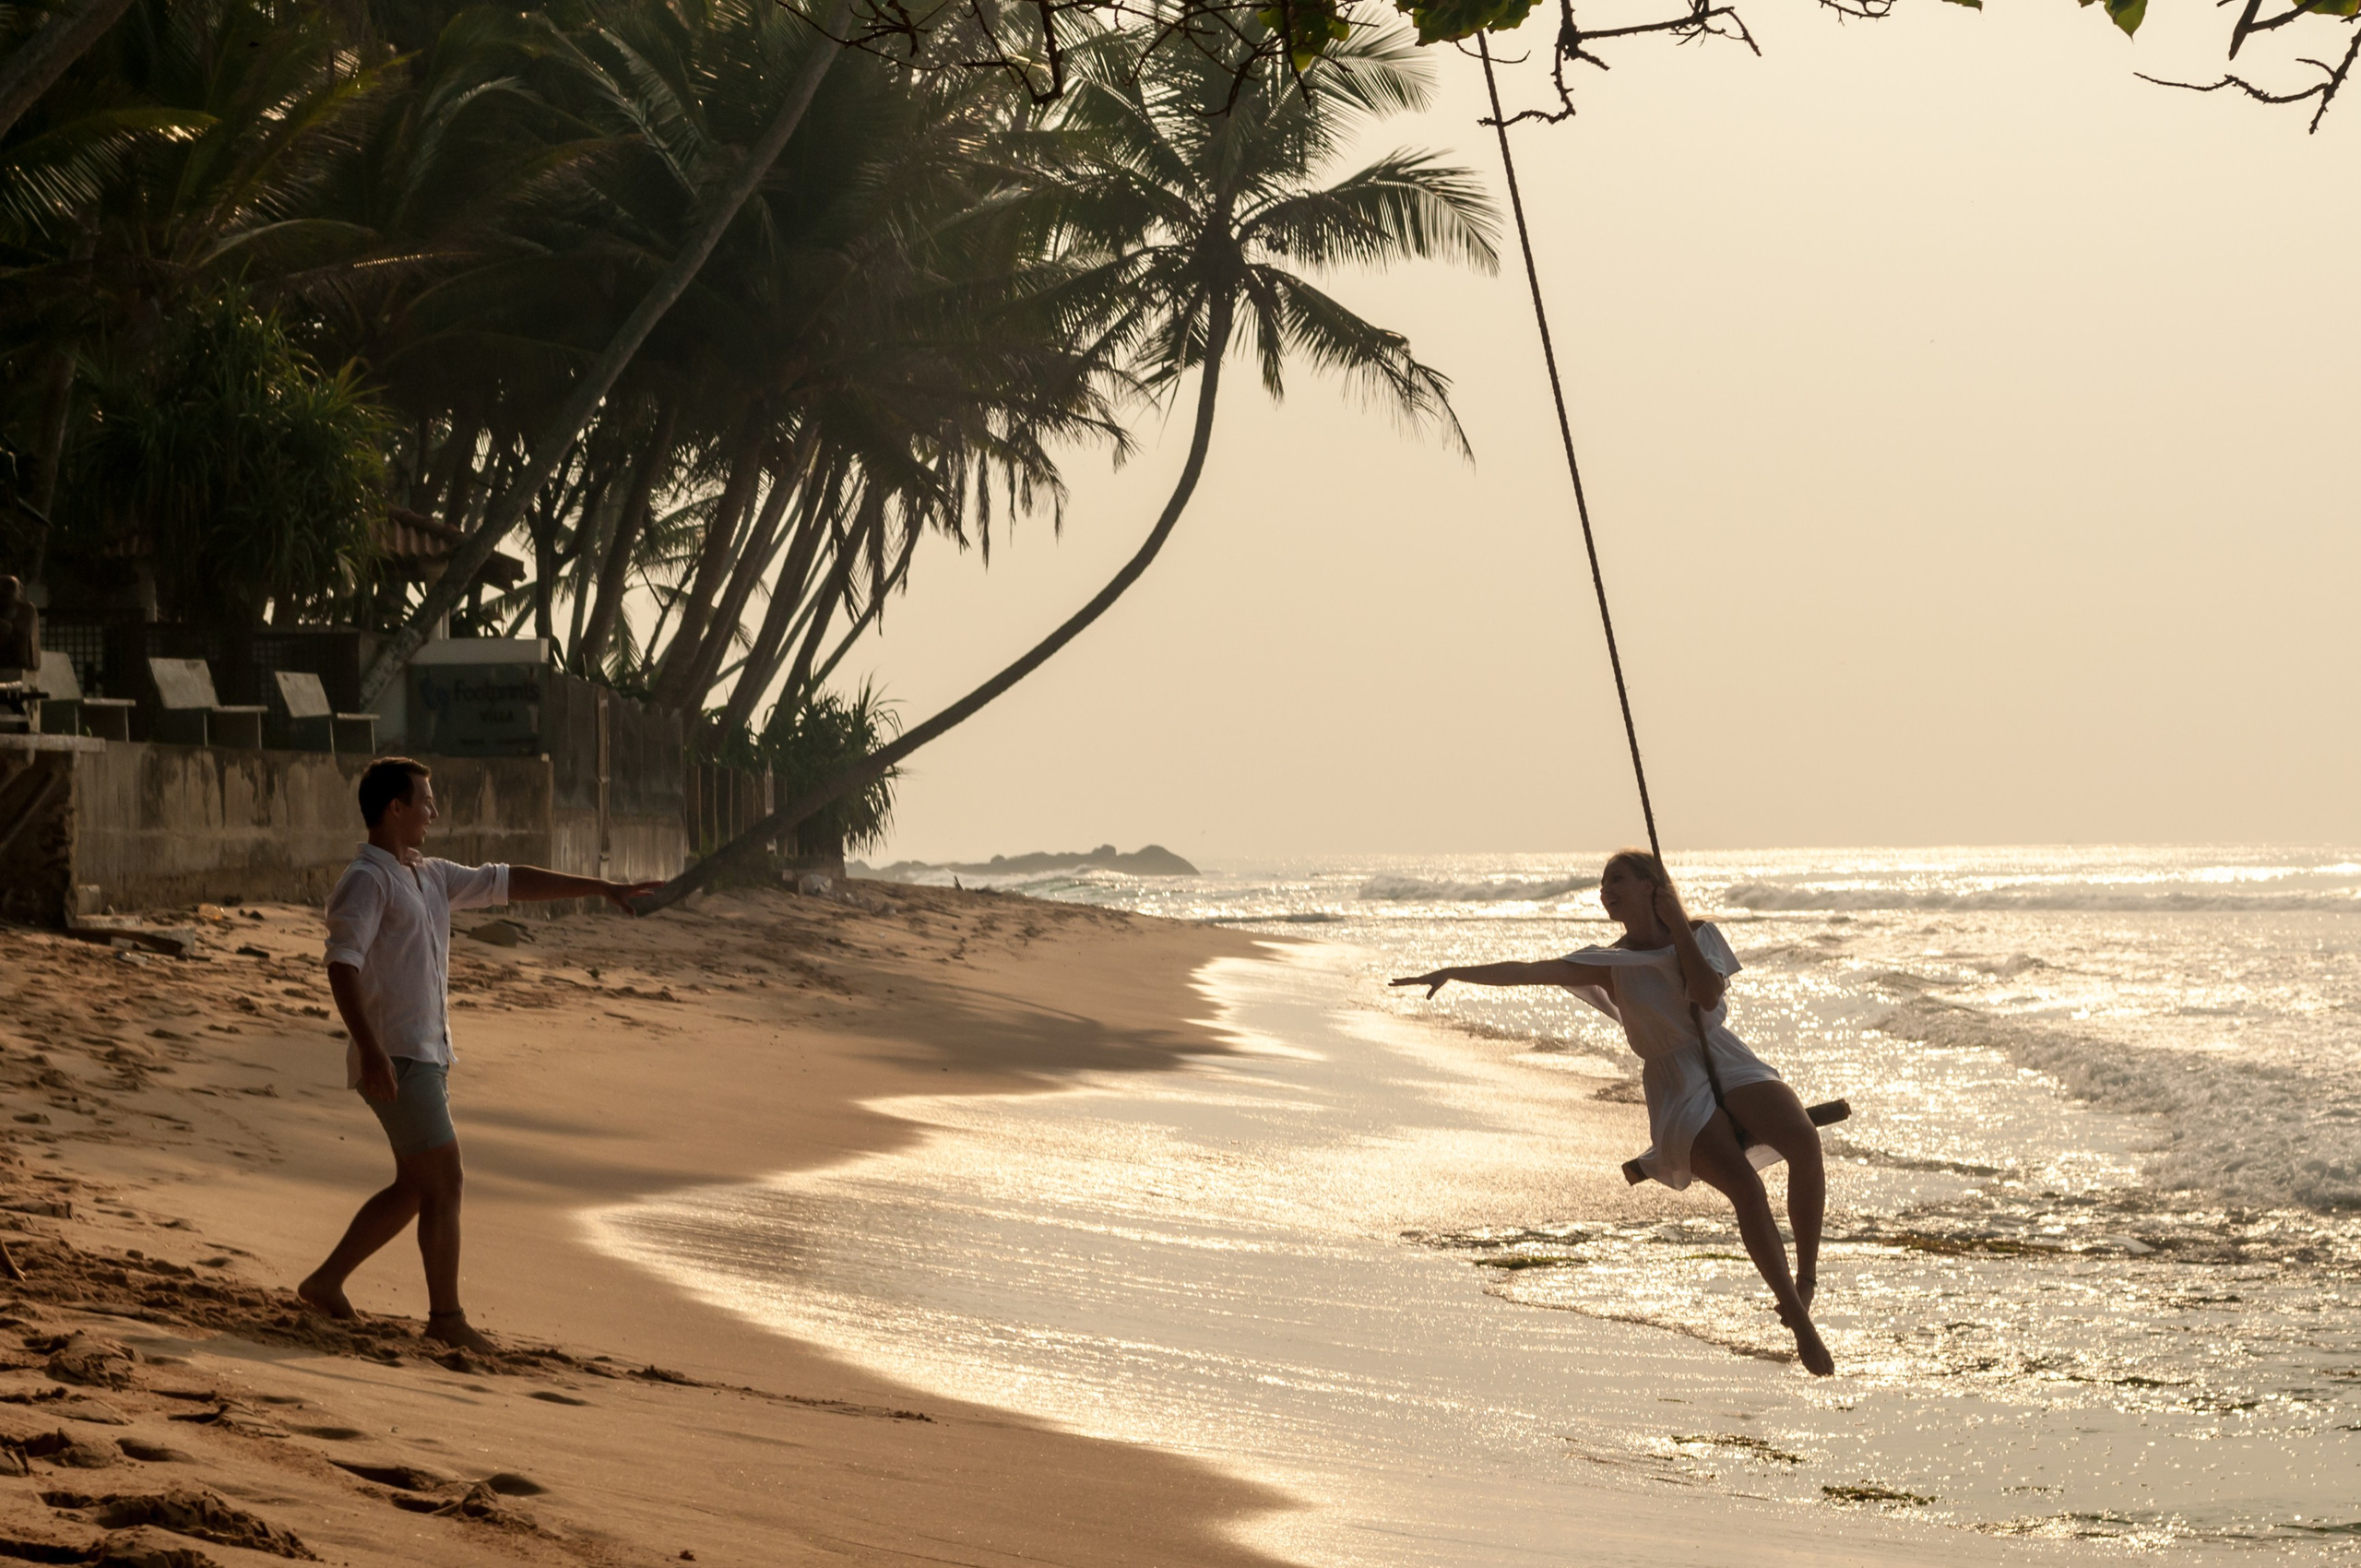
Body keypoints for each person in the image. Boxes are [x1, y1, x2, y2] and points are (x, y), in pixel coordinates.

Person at [1392, 849, 1834, 1377]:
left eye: (1617, 879)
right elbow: (1530, 971)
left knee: (1805, 1143)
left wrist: (1678, 927)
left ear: (1653, 887)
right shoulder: (1609, 960)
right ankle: (1799, 1321)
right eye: (1603, 884)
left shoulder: (1702, 934)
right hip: (1674, 1080)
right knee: (1745, 1187)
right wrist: (1455, 972)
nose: (1606, 890)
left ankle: (1804, 1281)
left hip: (1725, 1055)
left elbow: (1708, 994)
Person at [298, 756, 664, 1349]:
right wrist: (370, 1052)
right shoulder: (367, 880)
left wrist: (602, 887)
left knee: (416, 1186)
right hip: (395, 1055)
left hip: (425, 1054)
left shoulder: (427, 874)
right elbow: (342, 965)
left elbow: (509, 881)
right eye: (425, 801)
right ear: (395, 808)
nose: (433, 813)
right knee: (446, 1183)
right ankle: (446, 1322)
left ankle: (326, 1282)